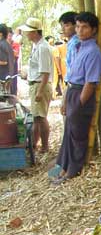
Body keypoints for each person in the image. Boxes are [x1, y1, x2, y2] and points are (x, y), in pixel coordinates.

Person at [54, 11, 101, 181]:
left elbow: (90, 82)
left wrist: (79, 104)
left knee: (78, 135)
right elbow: (70, 77)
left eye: (84, 27)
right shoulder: (78, 47)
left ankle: (72, 171)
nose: (80, 30)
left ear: (93, 30)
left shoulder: (93, 52)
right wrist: (65, 100)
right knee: (69, 132)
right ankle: (63, 168)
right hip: (72, 90)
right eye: (77, 26)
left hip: (82, 93)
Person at [20, 18, 53, 153]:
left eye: (28, 32)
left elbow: (45, 72)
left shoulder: (43, 48)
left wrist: (39, 91)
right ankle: (34, 144)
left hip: (40, 85)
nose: (26, 34)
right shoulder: (37, 46)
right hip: (36, 84)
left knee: (41, 117)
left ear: (34, 32)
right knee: (36, 117)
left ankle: (45, 146)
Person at [59, 11, 79, 84]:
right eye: (62, 26)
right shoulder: (70, 43)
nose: (63, 29)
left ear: (76, 26)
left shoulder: (76, 43)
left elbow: (75, 68)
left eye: (66, 25)